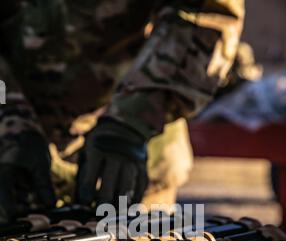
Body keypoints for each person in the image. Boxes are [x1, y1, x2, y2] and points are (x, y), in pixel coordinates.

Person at [0, 0, 245, 223]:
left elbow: (207, 14)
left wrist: (130, 121)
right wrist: (9, 121)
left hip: (131, 169)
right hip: (10, 171)